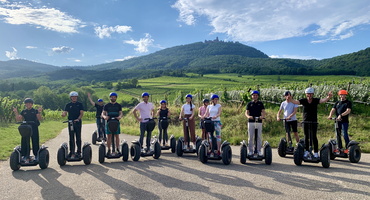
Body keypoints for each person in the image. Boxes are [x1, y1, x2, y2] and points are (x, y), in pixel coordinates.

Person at [291, 87, 332, 158]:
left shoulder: (315, 100)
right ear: (306, 94)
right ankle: (306, 151)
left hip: (314, 121)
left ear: (312, 94)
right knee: (306, 136)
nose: (309, 96)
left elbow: (322, 100)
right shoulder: (303, 100)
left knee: (314, 137)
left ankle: (316, 152)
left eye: (310, 94)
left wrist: (328, 97)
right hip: (305, 121)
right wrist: (290, 99)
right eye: (308, 94)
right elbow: (296, 102)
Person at [13, 98, 42, 162]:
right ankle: (25, 155)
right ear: (25, 104)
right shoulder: (24, 111)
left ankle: (36, 155)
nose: (28, 104)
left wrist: (39, 112)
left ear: (32, 104)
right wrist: (16, 112)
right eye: (27, 103)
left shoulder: (35, 111)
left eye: (29, 103)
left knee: (35, 140)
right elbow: (18, 119)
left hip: (34, 127)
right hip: (26, 128)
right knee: (24, 141)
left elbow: (39, 118)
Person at [61, 91, 84, 158]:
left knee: (78, 137)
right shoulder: (68, 105)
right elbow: (65, 113)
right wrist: (63, 114)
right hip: (70, 122)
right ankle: (72, 152)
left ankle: (79, 151)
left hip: (77, 122)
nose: (74, 98)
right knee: (71, 137)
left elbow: (81, 113)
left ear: (77, 97)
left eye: (75, 97)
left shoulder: (80, 104)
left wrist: (78, 119)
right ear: (71, 97)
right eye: (73, 97)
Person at [245, 91, 266, 156]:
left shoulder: (260, 103)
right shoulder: (249, 103)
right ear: (252, 96)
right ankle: (250, 151)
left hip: (259, 121)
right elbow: (246, 112)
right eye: (253, 95)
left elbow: (263, 111)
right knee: (251, 137)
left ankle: (259, 151)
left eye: (256, 95)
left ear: (258, 96)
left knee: (259, 137)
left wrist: (262, 116)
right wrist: (248, 116)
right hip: (251, 121)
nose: (255, 96)